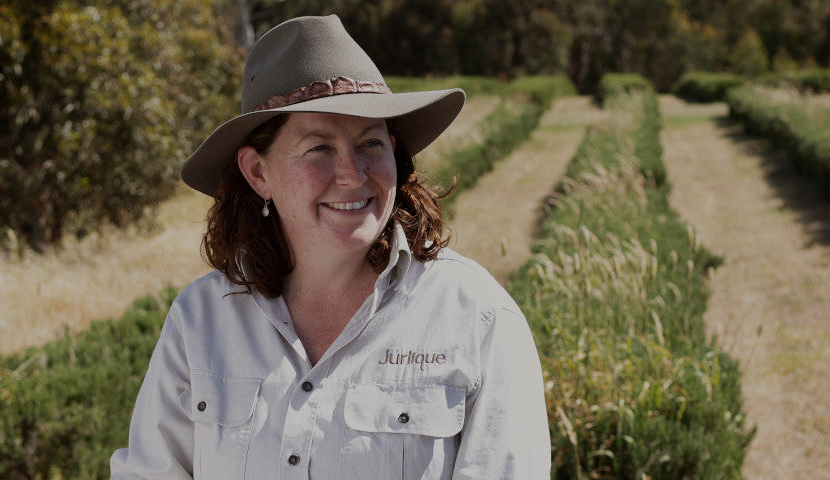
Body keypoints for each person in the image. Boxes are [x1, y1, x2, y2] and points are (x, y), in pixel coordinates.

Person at [109, 15, 549, 479]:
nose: (353, 175)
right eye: (319, 148)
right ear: (258, 173)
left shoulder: (476, 318)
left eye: (371, 143)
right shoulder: (200, 321)